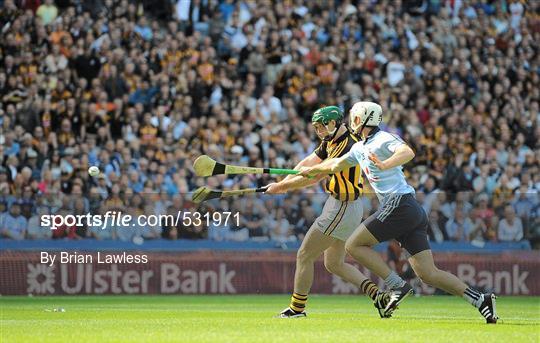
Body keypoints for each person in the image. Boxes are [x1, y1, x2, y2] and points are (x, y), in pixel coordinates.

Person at [300, 101, 498, 324]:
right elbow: (334, 166)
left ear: (363, 119)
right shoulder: (358, 147)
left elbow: (407, 152)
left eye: (354, 118)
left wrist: (385, 164)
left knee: (353, 245)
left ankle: (397, 286)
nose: (352, 123)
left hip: (399, 204)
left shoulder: (383, 138)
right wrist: (310, 171)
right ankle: (480, 299)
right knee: (428, 274)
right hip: (410, 210)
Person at [265, 106, 390, 318]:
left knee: (304, 254)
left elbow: (314, 177)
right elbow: (307, 163)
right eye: (316, 128)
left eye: (321, 126)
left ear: (334, 123)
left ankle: (297, 309)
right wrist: (283, 181)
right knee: (333, 263)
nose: (318, 131)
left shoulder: (348, 145)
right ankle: (378, 295)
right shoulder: (330, 140)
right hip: (342, 206)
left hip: (342, 206)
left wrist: (282, 188)